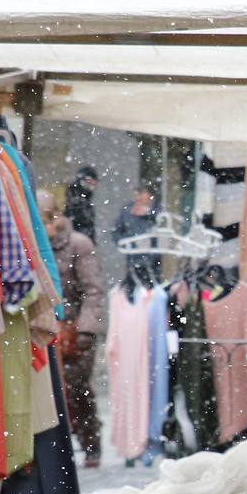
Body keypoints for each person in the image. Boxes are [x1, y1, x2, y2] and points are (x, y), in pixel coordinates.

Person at [40, 190, 105, 468]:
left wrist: (86, 330)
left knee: (78, 390)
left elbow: (93, 290)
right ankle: (56, 449)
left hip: (74, 329)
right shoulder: (36, 243)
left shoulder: (78, 244)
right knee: (50, 393)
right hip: (46, 328)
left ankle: (90, 443)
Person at [114, 182, 160, 282]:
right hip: (132, 259)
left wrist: (148, 214)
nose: (139, 198)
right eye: (137, 194)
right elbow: (116, 231)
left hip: (153, 261)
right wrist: (126, 244)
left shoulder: (157, 212)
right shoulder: (127, 211)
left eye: (143, 194)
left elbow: (160, 233)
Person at [63, 165, 99, 240]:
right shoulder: (76, 198)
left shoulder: (83, 198)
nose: (94, 185)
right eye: (91, 182)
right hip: (78, 242)